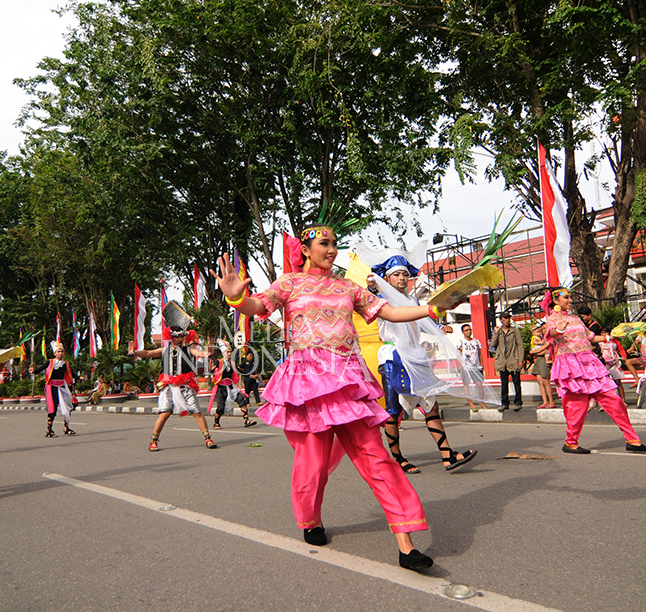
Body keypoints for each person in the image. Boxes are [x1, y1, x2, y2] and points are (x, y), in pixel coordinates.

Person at [212, 224, 446, 572]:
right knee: (314, 463)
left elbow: (391, 312)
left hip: (348, 380)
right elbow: (254, 305)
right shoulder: (289, 283)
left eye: (335, 243)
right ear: (306, 249)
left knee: (376, 457)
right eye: (325, 243)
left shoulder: (347, 287)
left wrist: (430, 310)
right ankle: (310, 519)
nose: (332, 249)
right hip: (308, 382)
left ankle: (406, 544)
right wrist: (234, 297)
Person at [364, 252, 479, 474]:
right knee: (393, 412)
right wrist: (372, 285)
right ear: (387, 278)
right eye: (396, 274)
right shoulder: (381, 299)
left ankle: (448, 454)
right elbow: (370, 295)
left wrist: (439, 329)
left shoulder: (413, 301)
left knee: (431, 406)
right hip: (393, 358)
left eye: (405, 275)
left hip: (416, 357)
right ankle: (396, 459)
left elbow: (422, 323)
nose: (401, 278)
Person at [544, 288, 646, 454]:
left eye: (570, 297)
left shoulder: (576, 318)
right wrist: (558, 329)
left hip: (589, 362)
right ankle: (571, 442)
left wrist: (611, 337)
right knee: (578, 406)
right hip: (571, 366)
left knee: (613, 399)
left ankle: (633, 440)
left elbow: (590, 337)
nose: (570, 300)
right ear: (556, 300)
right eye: (566, 297)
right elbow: (551, 334)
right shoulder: (552, 318)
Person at [129, 303, 218, 451]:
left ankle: (208, 439)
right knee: (164, 414)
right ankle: (154, 441)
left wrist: (207, 353)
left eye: (183, 336)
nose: (181, 339)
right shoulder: (164, 351)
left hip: (186, 386)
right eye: (178, 336)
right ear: (171, 337)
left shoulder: (189, 350)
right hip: (169, 387)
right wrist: (135, 353)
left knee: (197, 412)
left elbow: (200, 353)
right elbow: (147, 353)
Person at [30, 341, 77, 438]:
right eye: (58, 351)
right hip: (51, 387)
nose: (60, 353)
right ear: (55, 353)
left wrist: (79, 378)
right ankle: (49, 430)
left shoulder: (66, 364)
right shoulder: (50, 362)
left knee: (68, 406)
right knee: (53, 409)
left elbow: (71, 373)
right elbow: (40, 369)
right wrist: (33, 371)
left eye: (62, 351)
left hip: (62, 386)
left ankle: (66, 428)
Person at [210, 349, 254, 429]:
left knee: (242, 400)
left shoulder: (232, 363)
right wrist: (211, 369)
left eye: (230, 352)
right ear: (223, 353)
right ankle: (216, 422)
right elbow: (213, 371)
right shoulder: (219, 362)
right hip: (222, 387)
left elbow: (238, 371)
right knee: (221, 407)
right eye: (228, 352)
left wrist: (250, 375)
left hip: (231, 386)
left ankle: (246, 420)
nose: (229, 353)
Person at [489, 311, 524, 412]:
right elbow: (493, 344)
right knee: (504, 384)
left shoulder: (514, 330)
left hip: (513, 359)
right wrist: (495, 333)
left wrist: (521, 360)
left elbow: (520, 345)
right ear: (501, 320)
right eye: (505, 318)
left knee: (516, 383)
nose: (507, 320)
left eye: (508, 317)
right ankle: (505, 403)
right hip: (502, 361)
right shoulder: (499, 331)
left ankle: (518, 402)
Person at [597, 325, 630, 402]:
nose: (603, 335)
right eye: (602, 333)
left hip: (614, 363)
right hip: (603, 365)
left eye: (605, 333)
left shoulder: (614, 341)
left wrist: (624, 356)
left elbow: (621, 349)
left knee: (618, 382)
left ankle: (623, 400)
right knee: (604, 383)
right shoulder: (599, 342)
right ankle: (606, 401)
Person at [528, 322, 556, 408]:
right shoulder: (540, 339)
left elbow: (542, 348)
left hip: (545, 360)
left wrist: (533, 352)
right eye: (542, 329)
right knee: (540, 381)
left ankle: (551, 402)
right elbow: (537, 350)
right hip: (539, 360)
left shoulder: (549, 339)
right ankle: (545, 401)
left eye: (545, 328)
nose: (543, 330)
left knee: (545, 381)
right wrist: (533, 352)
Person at [458, 324, 486, 410]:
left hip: (476, 366)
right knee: (466, 385)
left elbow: (480, 354)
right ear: (463, 332)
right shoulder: (461, 341)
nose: (468, 331)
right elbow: (458, 354)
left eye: (469, 329)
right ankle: (470, 403)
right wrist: (460, 366)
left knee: (479, 385)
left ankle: (482, 403)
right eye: (466, 330)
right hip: (466, 367)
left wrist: (482, 365)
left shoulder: (476, 341)